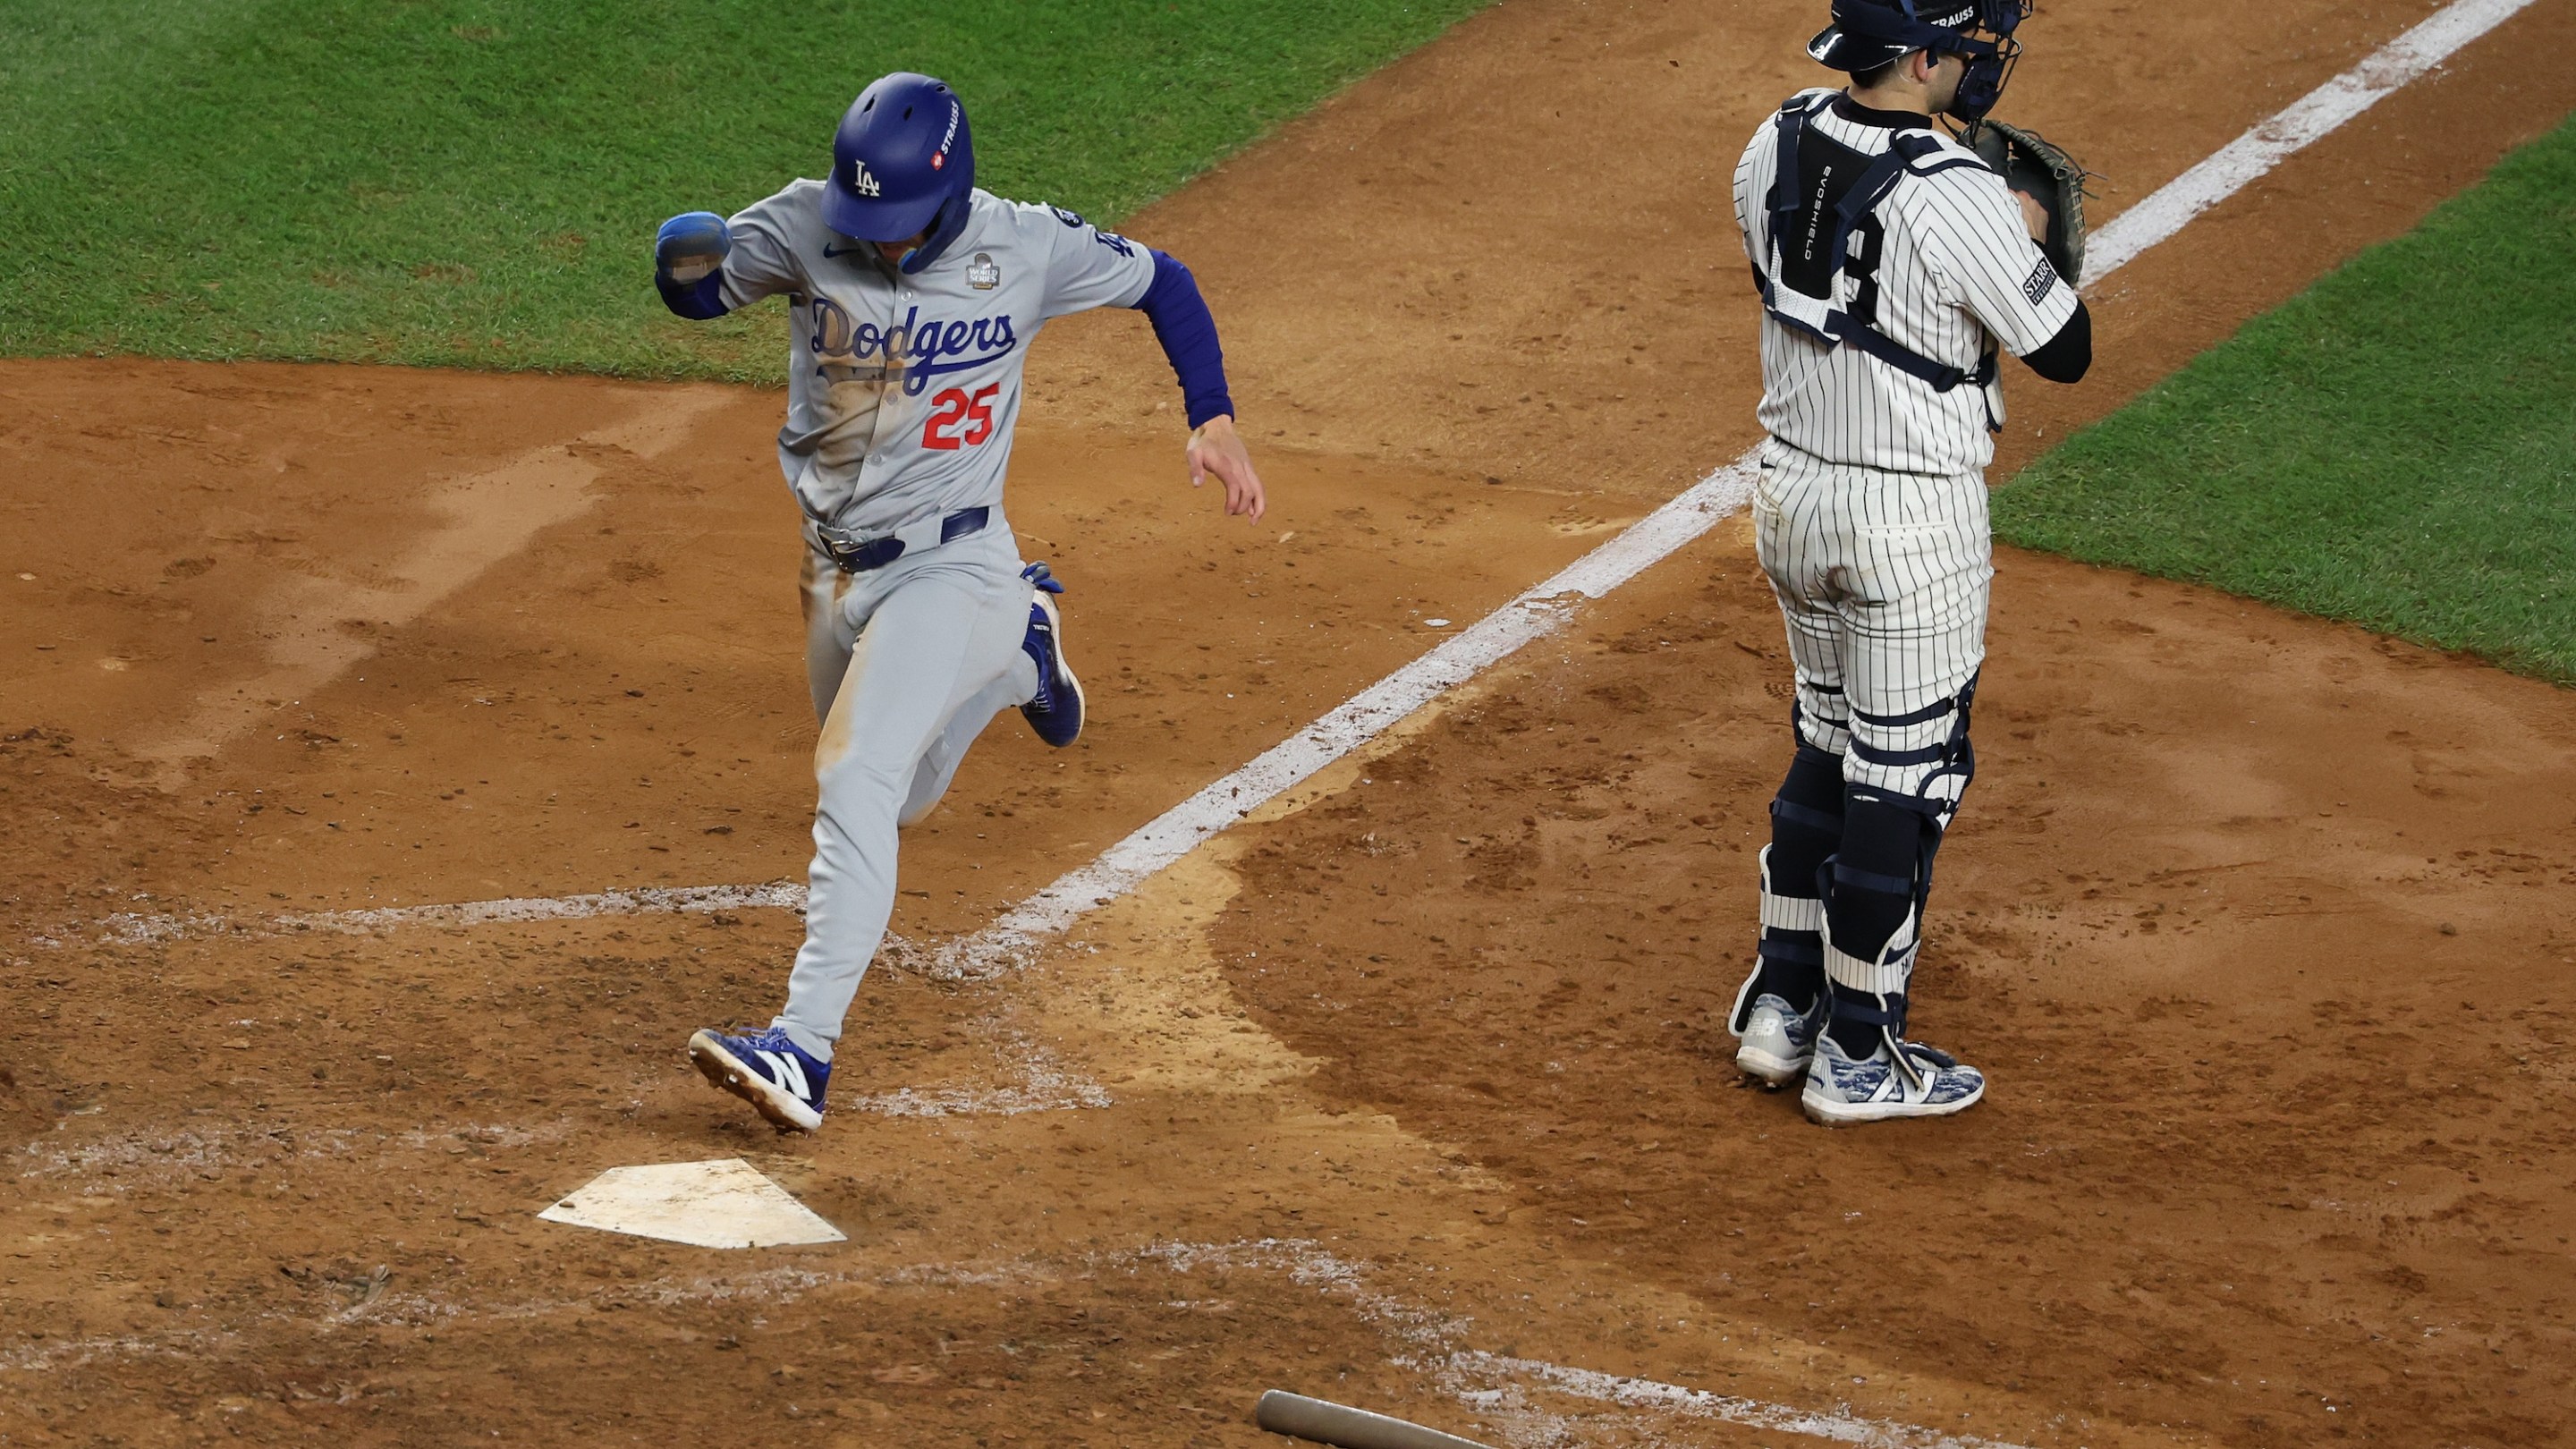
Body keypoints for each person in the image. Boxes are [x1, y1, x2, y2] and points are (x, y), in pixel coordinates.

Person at [651, 72, 1265, 1132]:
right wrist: (683, 270)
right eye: (864, 224)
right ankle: (1025, 651)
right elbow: (707, 290)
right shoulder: (806, 224)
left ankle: (803, 1050)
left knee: (853, 774)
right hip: (830, 568)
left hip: (952, 562)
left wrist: (1209, 414)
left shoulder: (1022, 247)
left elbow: (1166, 281)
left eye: (895, 225)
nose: (877, 243)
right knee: (897, 802)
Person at [1724, 1, 2091, 1123]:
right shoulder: (1959, 192)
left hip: (1790, 495)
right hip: (1909, 525)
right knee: (1904, 781)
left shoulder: (1771, 138)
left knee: (1825, 745)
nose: (1982, 66)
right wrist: (2023, 238)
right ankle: (1859, 1058)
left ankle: (1780, 1013)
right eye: (1971, 49)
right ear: (1923, 57)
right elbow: (2064, 349)